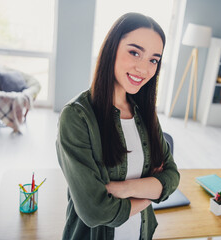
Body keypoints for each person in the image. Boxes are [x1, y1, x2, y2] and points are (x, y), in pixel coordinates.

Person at [56, 12, 180, 240]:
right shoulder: (76, 117)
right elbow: (95, 211)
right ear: (112, 48)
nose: (144, 69)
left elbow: (172, 177)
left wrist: (125, 189)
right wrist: (151, 191)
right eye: (135, 52)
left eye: (153, 60)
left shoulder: (145, 113)